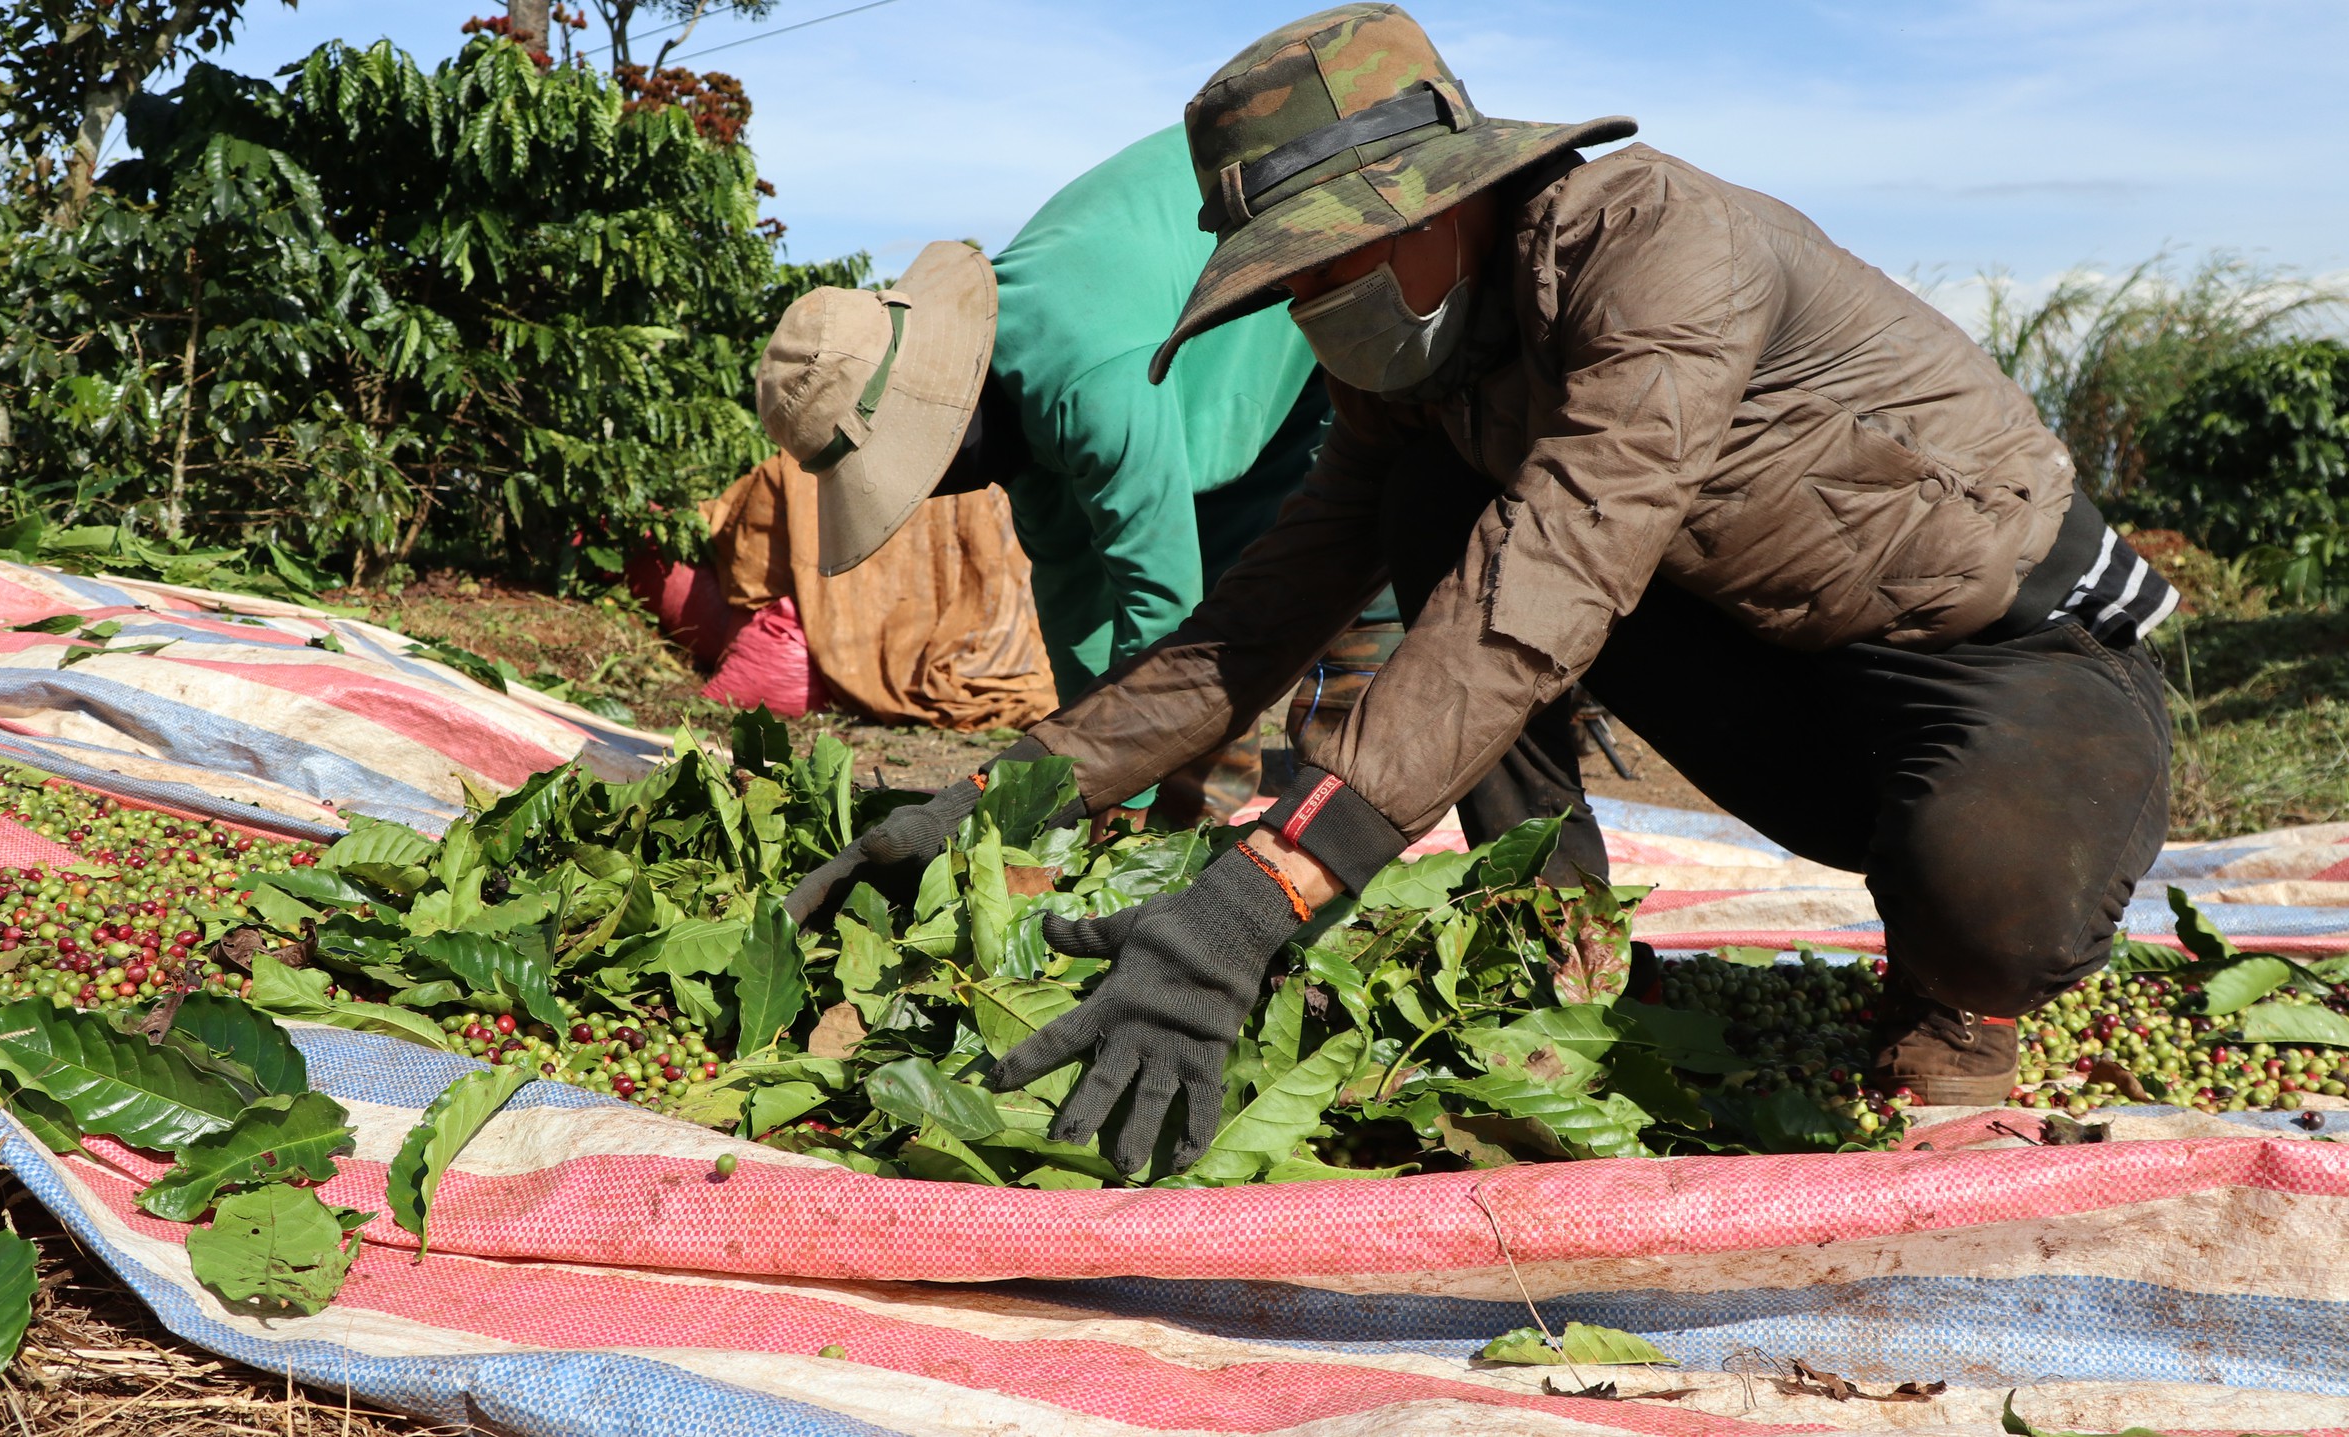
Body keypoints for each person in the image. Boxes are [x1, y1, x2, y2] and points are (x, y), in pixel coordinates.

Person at [787, 2, 2178, 1175]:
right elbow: (1254, 617)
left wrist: (1248, 902)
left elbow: (1551, 580)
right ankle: (1550, 955)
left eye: (1336, 264)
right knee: (1426, 511)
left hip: (1996, 648)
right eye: (1296, 284)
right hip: (1760, 650)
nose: (1320, 310)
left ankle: (1956, 998)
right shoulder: (1422, 365)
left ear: (1444, 202)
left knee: (1988, 905)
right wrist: (1002, 795)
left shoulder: (1654, 249)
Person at [757, 126, 1399, 827]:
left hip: (1322, 287)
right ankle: (1188, 834)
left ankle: (1338, 845)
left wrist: (1121, 791)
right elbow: (1075, 601)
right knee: (1213, 597)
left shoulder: (1082, 374)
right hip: (1208, 368)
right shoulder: (1014, 415)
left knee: (1351, 566)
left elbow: (1159, 602)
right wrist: (1076, 772)